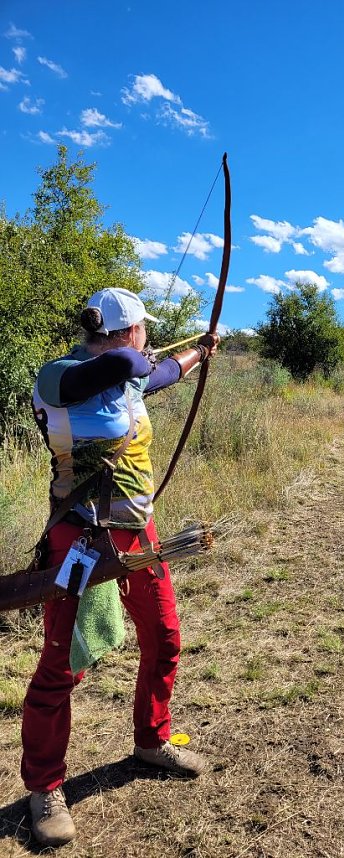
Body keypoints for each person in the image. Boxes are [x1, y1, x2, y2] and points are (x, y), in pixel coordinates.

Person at [21, 287, 219, 847]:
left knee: (164, 636)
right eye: (141, 330)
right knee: (62, 665)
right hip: (79, 537)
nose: (146, 341)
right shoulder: (58, 376)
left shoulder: (122, 375)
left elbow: (153, 376)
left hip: (138, 535)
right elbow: (131, 364)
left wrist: (198, 352)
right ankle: (45, 786)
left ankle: (151, 740)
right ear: (125, 332)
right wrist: (137, 352)